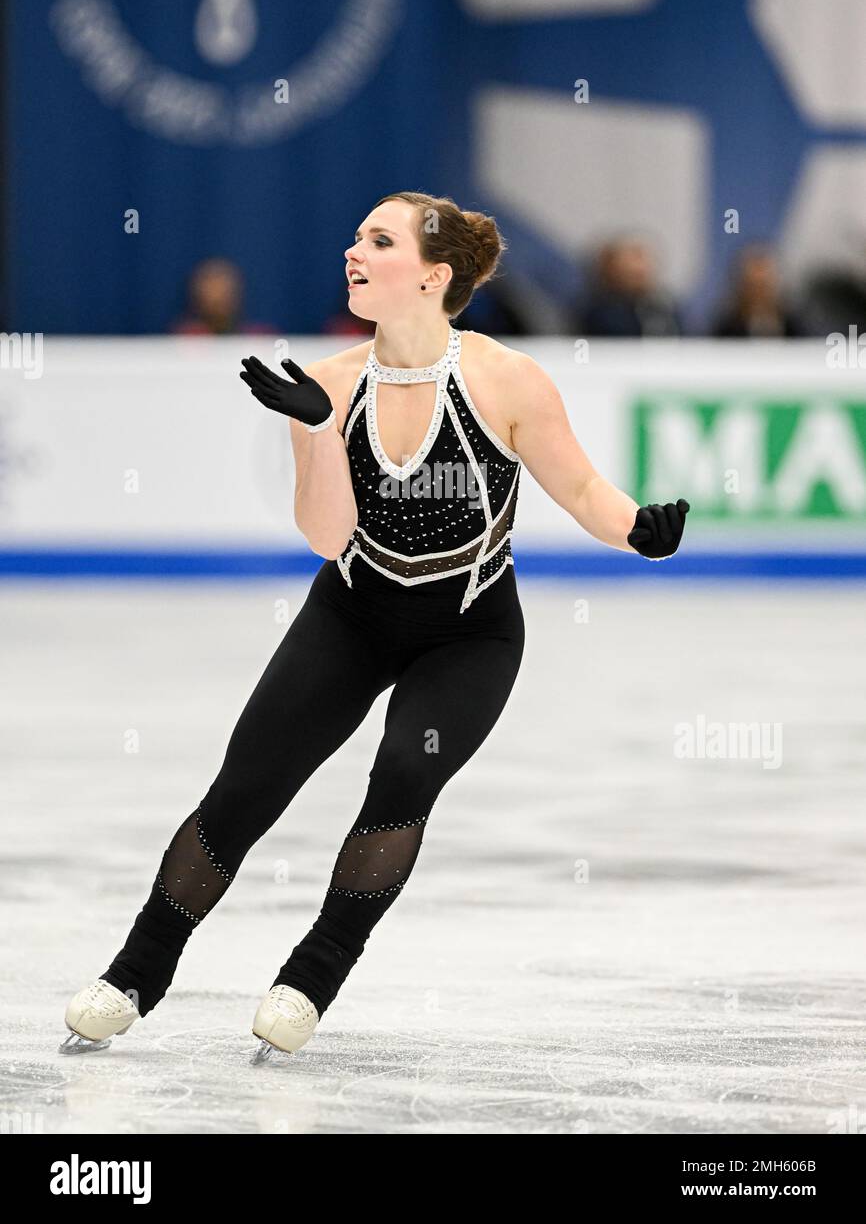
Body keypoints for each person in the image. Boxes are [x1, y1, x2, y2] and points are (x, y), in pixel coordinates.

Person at [61, 192, 690, 1060]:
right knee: (246, 787)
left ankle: (311, 976)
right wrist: (318, 431)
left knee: (402, 777)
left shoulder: (505, 380)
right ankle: (135, 972)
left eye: (378, 240)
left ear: (434, 276)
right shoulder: (326, 384)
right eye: (356, 236)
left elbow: (580, 488)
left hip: (469, 632)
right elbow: (326, 538)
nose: (353, 250)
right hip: (350, 614)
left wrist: (633, 529)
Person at [576, 237, 681, 337]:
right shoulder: (598, 312)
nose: (641, 267)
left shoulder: (663, 306)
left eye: (644, 257)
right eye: (635, 256)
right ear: (611, 266)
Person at [713, 245, 807, 337]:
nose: (759, 294)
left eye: (763, 285)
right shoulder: (725, 331)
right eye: (753, 286)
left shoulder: (796, 328)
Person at [172, 258, 277, 336]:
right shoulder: (184, 340)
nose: (217, 298)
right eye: (211, 290)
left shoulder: (260, 339)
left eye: (225, 290)